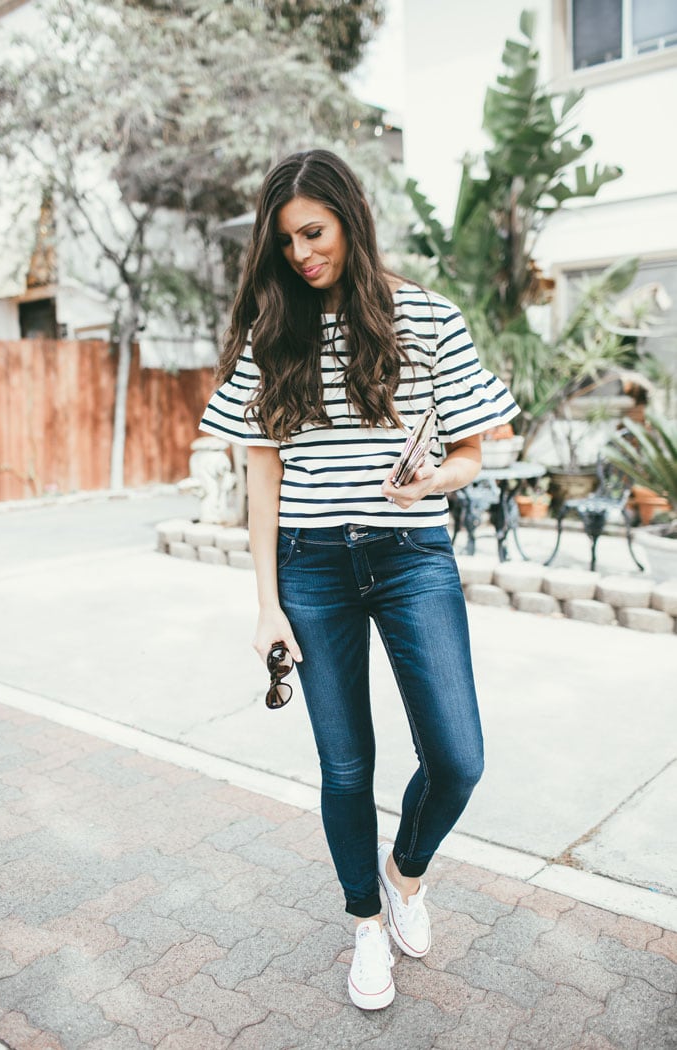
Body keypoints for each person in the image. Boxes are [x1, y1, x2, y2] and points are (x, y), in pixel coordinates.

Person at [199, 149, 519, 1011]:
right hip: (310, 565)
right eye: (286, 243)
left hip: (411, 557)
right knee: (346, 770)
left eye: (313, 232)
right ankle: (366, 923)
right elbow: (260, 473)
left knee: (457, 757)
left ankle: (406, 873)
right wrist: (265, 601)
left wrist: (428, 480)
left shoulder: (428, 318)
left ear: (349, 215)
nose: (301, 254)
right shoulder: (275, 331)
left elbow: (474, 452)